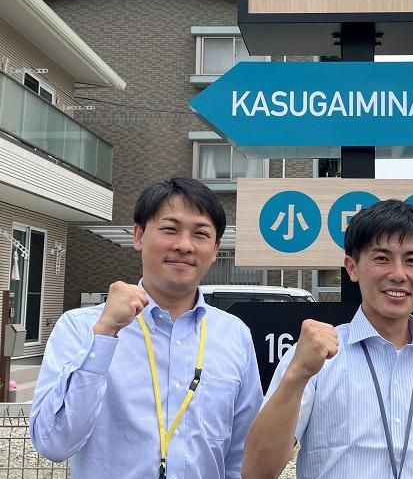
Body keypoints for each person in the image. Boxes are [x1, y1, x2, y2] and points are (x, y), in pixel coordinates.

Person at [242, 198, 413, 479]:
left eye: (412, 260)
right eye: (381, 258)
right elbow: (256, 471)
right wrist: (297, 374)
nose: (398, 274)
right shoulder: (312, 361)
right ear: (352, 267)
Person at [30, 177, 262, 479]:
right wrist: (105, 335)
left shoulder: (235, 335)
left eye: (201, 234)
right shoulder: (81, 328)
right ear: (138, 236)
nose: (184, 245)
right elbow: (53, 443)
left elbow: (241, 457)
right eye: (170, 229)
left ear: (216, 248)